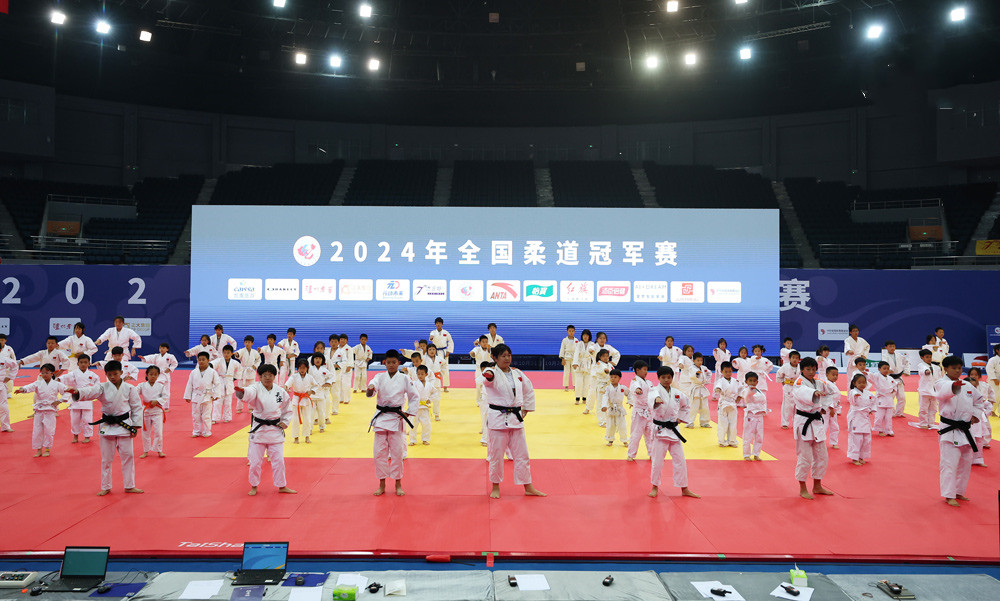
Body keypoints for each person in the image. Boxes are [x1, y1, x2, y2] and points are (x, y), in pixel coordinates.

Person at [71, 360, 144, 495]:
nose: (112, 377)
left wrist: (135, 425)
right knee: (106, 459)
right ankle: (106, 486)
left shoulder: (130, 388)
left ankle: (129, 485)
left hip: (124, 426)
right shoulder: (102, 387)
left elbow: (136, 407)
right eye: (109, 374)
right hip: (107, 426)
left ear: (121, 373)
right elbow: (90, 391)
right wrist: (77, 391)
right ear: (105, 374)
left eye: (115, 374)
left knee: (128, 456)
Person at [482, 344, 545, 498]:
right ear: (494, 357)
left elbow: (528, 390)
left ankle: (528, 486)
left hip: (516, 419)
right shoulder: (492, 372)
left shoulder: (517, 373)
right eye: (503, 356)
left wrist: (526, 408)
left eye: (509, 355)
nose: (507, 358)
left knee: (523, 455)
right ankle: (495, 487)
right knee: (496, 456)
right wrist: (489, 372)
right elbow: (487, 378)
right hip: (498, 420)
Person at [234, 364, 296, 496]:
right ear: (260, 376)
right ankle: (254, 486)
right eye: (265, 375)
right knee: (255, 462)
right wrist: (242, 391)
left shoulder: (280, 391)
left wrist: (285, 421)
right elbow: (249, 392)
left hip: (275, 430)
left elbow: (287, 408)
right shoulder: (255, 388)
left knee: (279, 461)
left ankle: (282, 485)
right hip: (259, 430)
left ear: (274, 376)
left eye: (270, 375)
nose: (268, 378)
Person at [366, 350, 419, 496]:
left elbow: (414, 396)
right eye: (388, 362)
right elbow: (372, 387)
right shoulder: (379, 377)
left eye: (394, 362)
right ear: (385, 363)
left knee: (397, 453)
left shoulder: (404, 378)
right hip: (381, 418)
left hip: (396, 417)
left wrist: (408, 411)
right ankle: (382, 484)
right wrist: (370, 389)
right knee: (379, 453)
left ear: (398, 363)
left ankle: (398, 484)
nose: (391, 365)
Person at [934, 355, 980, 507]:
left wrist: (975, 415)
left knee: (965, 463)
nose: (957, 371)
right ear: (946, 369)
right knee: (949, 464)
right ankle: (949, 495)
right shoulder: (941, 383)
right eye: (953, 368)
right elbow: (944, 393)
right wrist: (954, 385)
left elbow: (979, 401)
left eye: (959, 368)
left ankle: (959, 491)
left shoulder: (968, 385)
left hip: (966, 430)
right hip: (950, 430)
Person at [649, 367, 699, 499]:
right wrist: (656, 400)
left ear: (672, 378)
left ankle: (684, 488)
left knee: (680, 461)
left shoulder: (677, 393)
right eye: (663, 377)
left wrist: (681, 418)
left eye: (669, 377)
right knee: (657, 461)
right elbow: (652, 398)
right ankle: (654, 487)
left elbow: (686, 405)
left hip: (674, 431)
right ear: (658, 378)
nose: (666, 380)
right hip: (660, 430)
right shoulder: (654, 391)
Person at [791, 357, 833, 499]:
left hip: (816, 422)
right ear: (802, 370)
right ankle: (803, 488)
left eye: (813, 369)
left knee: (822, 456)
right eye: (808, 369)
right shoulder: (799, 383)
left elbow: (831, 392)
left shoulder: (818, 382)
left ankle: (817, 485)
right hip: (803, 422)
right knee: (805, 457)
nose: (811, 372)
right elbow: (802, 392)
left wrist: (825, 406)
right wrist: (813, 393)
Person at [15, 364, 69, 457]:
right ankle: (38, 450)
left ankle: (47, 449)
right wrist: (22, 389)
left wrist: (60, 401)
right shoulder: (38, 383)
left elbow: (67, 392)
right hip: (39, 410)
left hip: (50, 410)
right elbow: (29, 387)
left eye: (46, 373)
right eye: (42, 373)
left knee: (49, 431)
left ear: (52, 373)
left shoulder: (57, 384)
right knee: (37, 431)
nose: (44, 375)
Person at [60, 354, 100, 444]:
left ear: (89, 363)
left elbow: (97, 384)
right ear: (77, 363)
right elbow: (65, 377)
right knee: (75, 420)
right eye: (81, 362)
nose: (83, 364)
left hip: (87, 398)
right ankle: (75, 436)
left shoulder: (92, 375)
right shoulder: (74, 373)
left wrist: (93, 391)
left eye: (85, 362)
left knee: (87, 420)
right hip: (76, 397)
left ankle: (87, 436)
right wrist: (58, 379)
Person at [184, 352, 221, 437]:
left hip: (207, 396)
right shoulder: (194, 372)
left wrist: (216, 395)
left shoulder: (212, 372)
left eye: (203, 359)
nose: (201, 361)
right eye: (199, 360)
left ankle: (207, 431)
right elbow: (189, 384)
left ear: (208, 360)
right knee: (195, 415)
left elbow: (217, 384)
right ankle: (196, 431)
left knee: (206, 416)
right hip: (196, 396)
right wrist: (187, 396)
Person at [137, 365, 168, 458]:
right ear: (147, 375)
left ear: (158, 375)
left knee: (159, 432)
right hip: (146, 411)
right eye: (151, 374)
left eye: (155, 374)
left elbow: (165, 396)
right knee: (145, 432)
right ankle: (146, 451)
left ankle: (159, 450)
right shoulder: (142, 385)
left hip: (157, 412)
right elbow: (134, 392)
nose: (153, 376)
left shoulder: (160, 386)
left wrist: (157, 401)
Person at [846, 373, 875, 466]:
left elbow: (873, 400)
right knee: (856, 438)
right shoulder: (853, 392)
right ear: (854, 383)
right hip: (856, 417)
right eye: (859, 382)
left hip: (865, 417)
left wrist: (871, 409)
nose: (862, 384)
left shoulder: (867, 393)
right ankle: (854, 458)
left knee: (866, 439)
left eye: (864, 382)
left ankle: (861, 456)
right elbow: (853, 401)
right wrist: (855, 395)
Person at [627, 360, 653, 462]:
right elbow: (635, 386)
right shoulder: (635, 381)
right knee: (636, 434)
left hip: (649, 411)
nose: (646, 372)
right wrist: (637, 389)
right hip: (639, 412)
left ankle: (652, 454)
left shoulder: (649, 382)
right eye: (644, 370)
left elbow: (654, 392)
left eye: (647, 370)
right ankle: (631, 454)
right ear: (637, 370)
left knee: (651, 434)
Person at [285, 360, 318, 444]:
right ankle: (296, 437)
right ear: (298, 368)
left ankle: (307, 436)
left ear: (307, 368)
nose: (302, 370)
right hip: (296, 399)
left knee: (307, 419)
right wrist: (286, 386)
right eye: (300, 368)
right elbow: (288, 383)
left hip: (306, 399)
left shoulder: (309, 377)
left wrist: (311, 391)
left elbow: (316, 385)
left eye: (304, 368)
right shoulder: (294, 376)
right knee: (295, 420)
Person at [738, 371, 767, 461]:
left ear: (757, 382)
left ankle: (756, 454)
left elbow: (763, 401)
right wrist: (750, 391)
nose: (752, 382)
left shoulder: (759, 391)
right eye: (750, 380)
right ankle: (746, 454)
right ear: (746, 381)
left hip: (759, 415)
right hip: (751, 415)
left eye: (754, 381)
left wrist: (764, 410)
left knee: (759, 436)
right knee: (748, 435)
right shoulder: (746, 390)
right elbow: (746, 398)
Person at [140, 343, 178, 411]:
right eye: (160, 348)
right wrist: (144, 358)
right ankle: (157, 404)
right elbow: (150, 358)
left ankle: (166, 407)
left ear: (167, 349)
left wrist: (170, 369)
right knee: (157, 390)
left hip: (165, 375)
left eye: (163, 348)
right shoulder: (156, 356)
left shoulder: (170, 356)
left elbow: (175, 363)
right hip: (157, 375)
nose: (161, 349)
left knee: (166, 392)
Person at [967, 368, 992, 466]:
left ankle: (978, 459)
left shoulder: (979, 397)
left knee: (979, 441)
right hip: (967, 422)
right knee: (968, 442)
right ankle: (967, 460)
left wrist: (985, 413)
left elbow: (988, 405)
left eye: (974, 387)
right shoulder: (962, 396)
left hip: (979, 421)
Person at [409, 365, 439, 446]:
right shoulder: (414, 383)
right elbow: (409, 392)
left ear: (426, 374)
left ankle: (425, 439)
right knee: (413, 424)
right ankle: (412, 440)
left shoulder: (429, 385)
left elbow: (435, 392)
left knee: (426, 424)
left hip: (425, 407)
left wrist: (430, 399)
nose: (420, 376)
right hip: (415, 408)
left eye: (422, 374)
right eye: (418, 374)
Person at [211, 345, 241, 423]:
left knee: (228, 402)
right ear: (222, 353)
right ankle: (215, 418)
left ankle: (227, 417)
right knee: (217, 402)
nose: (226, 354)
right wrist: (210, 366)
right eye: (224, 353)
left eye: (228, 353)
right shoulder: (219, 360)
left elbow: (240, 369)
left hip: (229, 381)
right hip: (220, 381)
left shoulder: (235, 362)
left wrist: (235, 377)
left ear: (231, 353)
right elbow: (212, 364)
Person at [713, 359, 739, 448]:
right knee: (723, 423)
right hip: (723, 403)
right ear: (721, 372)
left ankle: (732, 440)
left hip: (732, 403)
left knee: (733, 423)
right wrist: (718, 389)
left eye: (730, 371)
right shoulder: (720, 381)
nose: (728, 373)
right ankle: (722, 441)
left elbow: (741, 389)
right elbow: (718, 386)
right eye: (726, 372)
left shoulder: (735, 381)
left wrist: (740, 396)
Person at [881, 340, 910, 418]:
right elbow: (884, 365)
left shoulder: (899, 355)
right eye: (890, 346)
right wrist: (888, 369)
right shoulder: (884, 356)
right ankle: (891, 413)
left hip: (899, 378)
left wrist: (906, 371)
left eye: (893, 346)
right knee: (891, 397)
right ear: (886, 347)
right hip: (890, 378)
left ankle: (899, 412)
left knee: (902, 397)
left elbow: (906, 362)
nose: (892, 348)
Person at [471, 336, 493, 434]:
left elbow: (492, 356)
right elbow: (472, 353)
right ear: (479, 343)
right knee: (479, 386)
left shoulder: (489, 349)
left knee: (487, 385)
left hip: (488, 369)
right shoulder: (477, 349)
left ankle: (487, 398)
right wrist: (471, 353)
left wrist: (490, 349)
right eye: (483, 342)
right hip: (479, 369)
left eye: (486, 341)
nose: (485, 343)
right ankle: (479, 400)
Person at [601, 369, 629, 446]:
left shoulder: (623, 387)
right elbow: (605, 397)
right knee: (610, 426)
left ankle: (624, 440)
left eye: (615, 377)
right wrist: (604, 406)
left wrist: (630, 401)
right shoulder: (607, 388)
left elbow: (629, 394)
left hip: (620, 409)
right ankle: (610, 440)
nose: (613, 379)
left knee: (622, 426)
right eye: (611, 377)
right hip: (611, 408)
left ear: (619, 378)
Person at [233, 336, 260, 413]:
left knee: (252, 391)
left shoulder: (255, 352)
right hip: (243, 373)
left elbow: (258, 359)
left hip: (251, 372)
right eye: (246, 342)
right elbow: (238, 354)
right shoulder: (242, 350)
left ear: (252, 343)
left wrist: (255, 365)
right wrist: (236, 354)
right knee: (240, 391)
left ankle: (251, 407)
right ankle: (239, 408)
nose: (247, 344)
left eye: (249, 342)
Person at [870, 361, 897, 437]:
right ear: (879, 369)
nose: (886, 370)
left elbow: (895, 386)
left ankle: (889, 430)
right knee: (879, 417)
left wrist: (893, 392)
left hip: (889, 399)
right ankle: (880, 430)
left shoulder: (890, 378)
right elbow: (869, 376)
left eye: (887, 369)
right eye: (884, 368)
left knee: (888, 417)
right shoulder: (877, 376)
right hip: (881, 399)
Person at [917, 348, 942, 428]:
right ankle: (923, 423)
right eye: (927, 357)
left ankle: (931, 423)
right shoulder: (921, 365)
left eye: (930, 357)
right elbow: (923, 370)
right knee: (923, 408)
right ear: (922, 357)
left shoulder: (936, 367)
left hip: (934, 391)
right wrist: (926, 371)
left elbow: (939, 378)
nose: (929, 359)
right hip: (925, 390)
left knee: (933, 409)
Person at [776, 351, 801, 429]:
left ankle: (796, 423)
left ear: (799, 359)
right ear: (789, 358)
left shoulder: (800, 367)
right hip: (788, 387)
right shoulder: (785, 366)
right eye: (793, 358)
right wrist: (783, 383)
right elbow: (779, 375)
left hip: (797, 387)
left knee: (797, 406)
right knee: (787, 406)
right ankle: (785, 423)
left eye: (797, 358)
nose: (795, 360)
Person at [686, 353, 712, 428]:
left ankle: (704, 422)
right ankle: (690, 422)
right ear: (693, 360)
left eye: (701, 360)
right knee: (693, 407)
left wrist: (706, 380)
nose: (700, 362)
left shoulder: (703, 368)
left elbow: (709, 373)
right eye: (698, 360)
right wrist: (697, 373)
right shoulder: (691, 368)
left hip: (702, 389)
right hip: (695, 389)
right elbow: (693, 376)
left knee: (705, 407)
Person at [428, 319, 454, 392]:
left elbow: (451, 342)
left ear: (442, 324)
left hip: (444, 352)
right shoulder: (433, 332)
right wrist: (431, 338)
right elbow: (431, 336)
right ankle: (433, 386)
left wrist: (448, 351)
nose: (438, 324)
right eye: (437, 323)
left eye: (439, 323)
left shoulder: (446, 332)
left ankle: (445, 387)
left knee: (445, 369)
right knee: (434, 368)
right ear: (435, 324)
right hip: (434, 352)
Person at [589, 348, 613, 424]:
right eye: (603, 356)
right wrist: (605, 370)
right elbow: (603, 370)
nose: (606, 358)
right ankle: (601, 421)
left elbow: (613, 371)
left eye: (607, 356)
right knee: (601, 404)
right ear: (600, 357)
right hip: (601, 386)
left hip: (609, 386)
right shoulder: (598, 364)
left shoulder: (609, 364)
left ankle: (608, 419)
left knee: (608, 403)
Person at [308, 353, 331, 432]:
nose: (318, 360)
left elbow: (331, 377)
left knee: (321, 412)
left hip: (321, 394)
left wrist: (327, 383)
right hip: (312, 394)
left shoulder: (324, 370)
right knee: (311, 413)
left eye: (320, 358)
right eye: (316, 358)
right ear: (313, 360)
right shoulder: (310, 369)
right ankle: (309, 428)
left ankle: (322, 426)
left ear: (323, 360)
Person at [571, 329, 594, 406]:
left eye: (587, 335)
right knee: (578, 382)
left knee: (587, 383)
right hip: (579, 364)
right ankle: (577, 398)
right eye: (584, 335)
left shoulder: (592, 344)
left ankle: (584, 398)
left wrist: (595, 364)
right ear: (582, 336)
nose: (585, 337)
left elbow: (594, 355)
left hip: (588, 365)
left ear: (589, 336)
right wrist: (575, 363)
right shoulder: (579, 344)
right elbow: (576, 353)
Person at [822, 366, 843, 450]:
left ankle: (834, 442)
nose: (835, 377)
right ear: (827, 375)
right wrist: (831, 408)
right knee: (824, 425)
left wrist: (836, 406)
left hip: (833, 408)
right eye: (833, 375)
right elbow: (828, 397)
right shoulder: (826, 384)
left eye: (836, 375)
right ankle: (821, 442)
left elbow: (836, 397)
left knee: (834, 426)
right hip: (827, 409)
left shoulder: (833, 384)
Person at [424, 344, 446, 420]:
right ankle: (425, 415)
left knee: (437, 399)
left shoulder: (439, 358)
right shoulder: (424, 358)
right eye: (430, 349)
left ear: (436, 350)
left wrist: (441, 373)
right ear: (427, 351)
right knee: (425, 398)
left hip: (436, 380)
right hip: (427, 380)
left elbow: (444, 365)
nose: (432, 351)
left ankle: (437, 414)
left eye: (433, 349)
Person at [0, 350, 18, 432]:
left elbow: (15, 365)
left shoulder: (4, 359)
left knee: (3, 406)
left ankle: (5, 426)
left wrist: (10, 376)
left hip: (0, 384)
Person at [558, 325, 578, 392]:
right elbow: (562, 349)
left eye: (572, 331)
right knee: (566, 373)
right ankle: (566, 386)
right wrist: (562, 359)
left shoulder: (576, 340)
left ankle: (575, 386)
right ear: (567, 332)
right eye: (570, 331)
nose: (571, 332)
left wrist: (578, 359)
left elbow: (578, 350)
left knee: (574, 372)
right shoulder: (564, 340)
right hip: (566, 358)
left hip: (574, 358)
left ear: (574, 332)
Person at [0, 333, 19, 398]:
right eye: (0, 340)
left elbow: (13, 357)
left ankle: (8, 392)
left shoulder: (9, 348)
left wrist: (15, 364)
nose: (1, 342)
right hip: (0, 368)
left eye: (2, 340)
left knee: (9, 379)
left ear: (5, 340)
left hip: (7, 367)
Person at [985, 343, 1000, 410]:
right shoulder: (993, 359)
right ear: (997, 350)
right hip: (995, 380)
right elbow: (989, 369)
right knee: (995, 396)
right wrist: (994, 379)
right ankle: (991, 410)